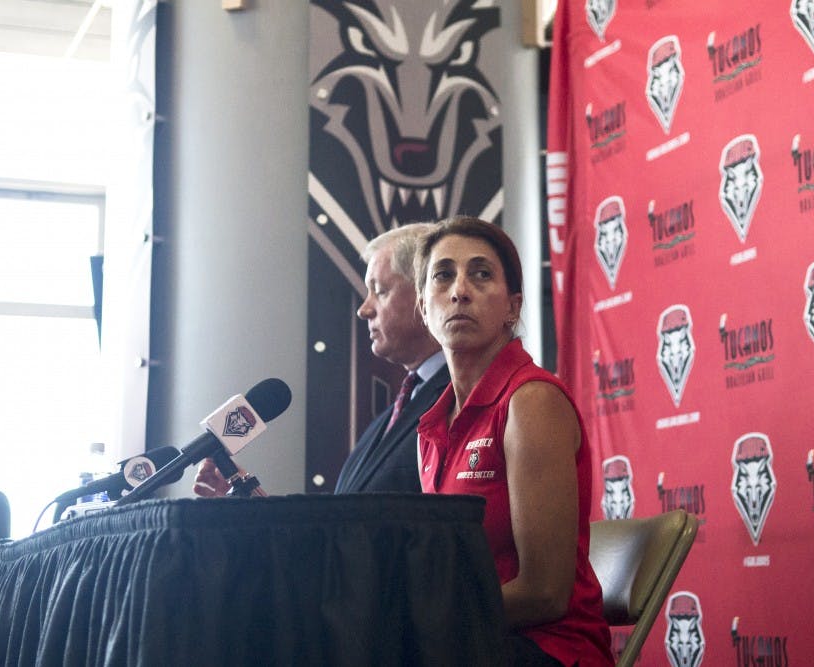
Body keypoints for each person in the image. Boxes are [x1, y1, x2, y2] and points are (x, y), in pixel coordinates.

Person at [415, 216, 614, 666]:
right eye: (443, 274)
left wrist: (423, 617)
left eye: (481, 274)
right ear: (424, 308)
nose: (460, 290)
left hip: (546, 650)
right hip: (467, 643)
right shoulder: (431, 427)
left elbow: (545, 594)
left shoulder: (531, 401)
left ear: (512, 307)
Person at [193, 223, 448, 497]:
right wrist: (246, 495)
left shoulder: (460, 398)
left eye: (380, 290)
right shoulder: (392, 415)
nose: (364, 309)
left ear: (427, 294)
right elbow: (344, 531)